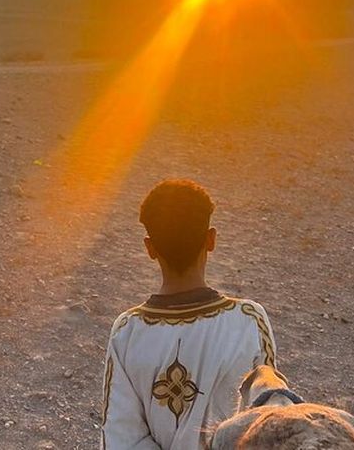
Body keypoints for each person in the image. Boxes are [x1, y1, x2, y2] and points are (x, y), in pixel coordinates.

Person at [101, 179, 277, 449]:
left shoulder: (128, 331)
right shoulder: (248, 321)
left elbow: (121, 439)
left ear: (150, 248)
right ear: (211, 239)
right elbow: (266, 424)